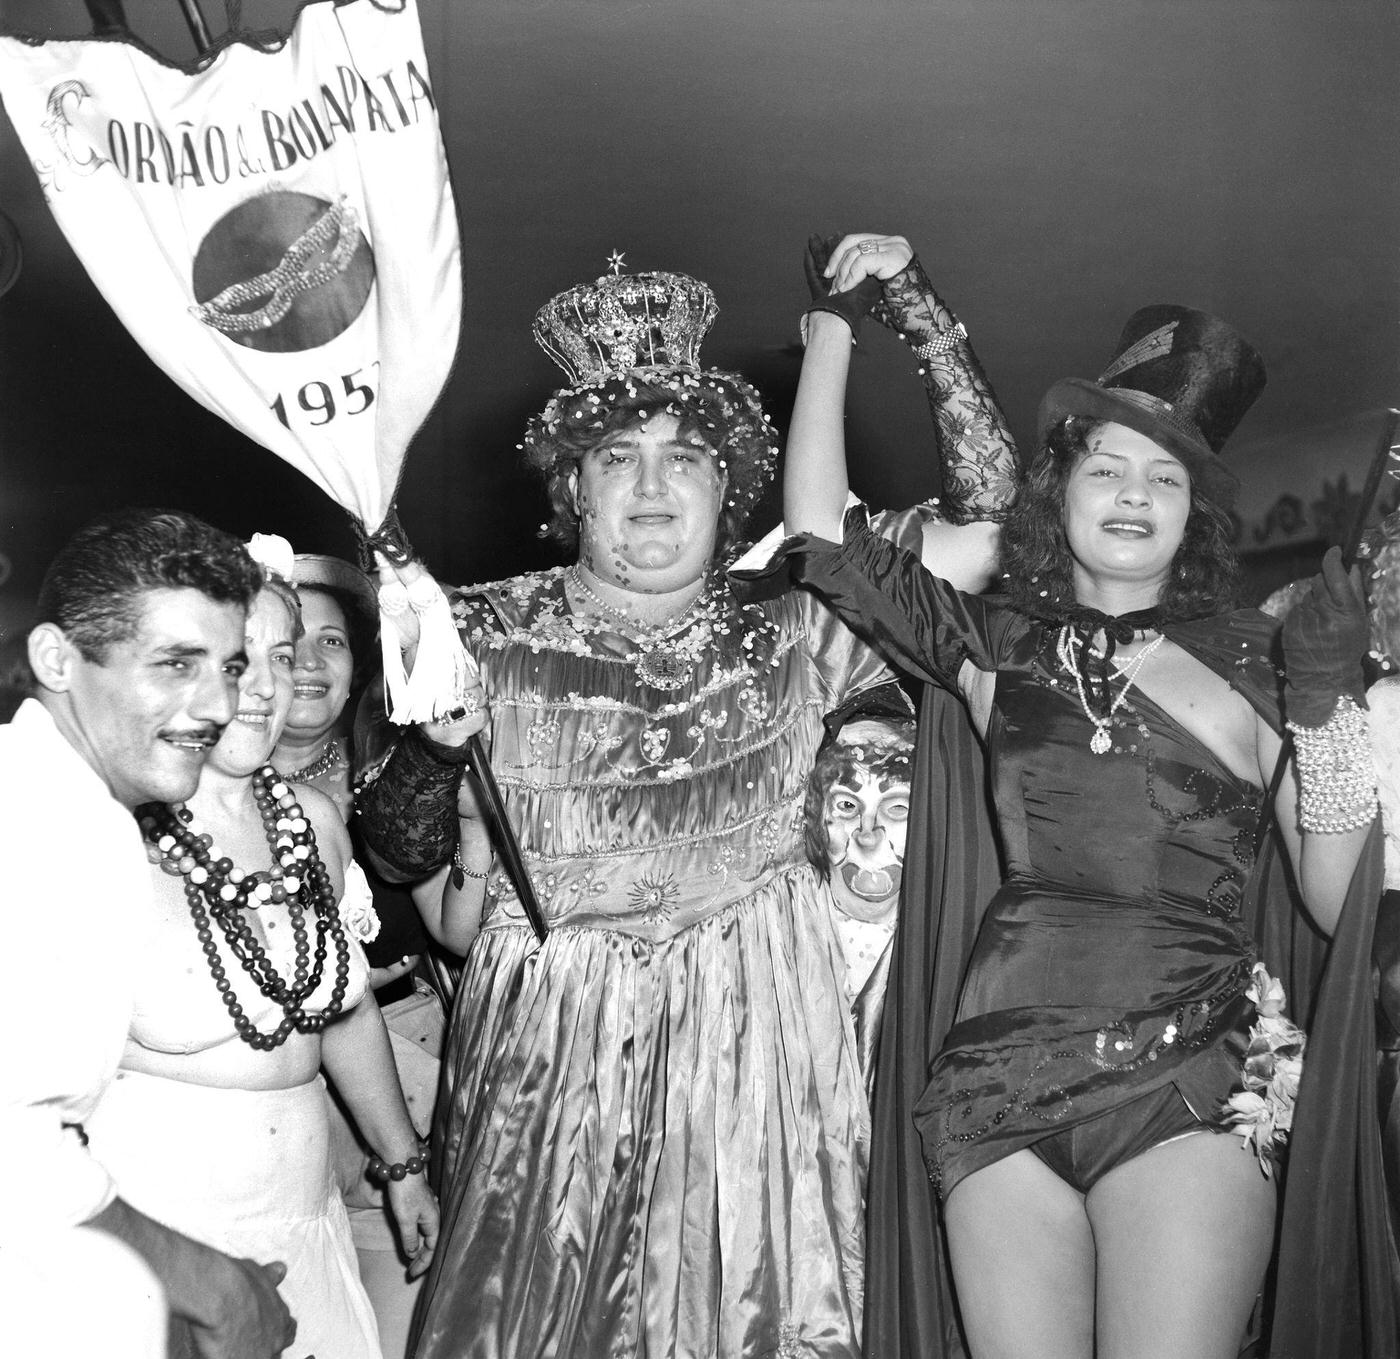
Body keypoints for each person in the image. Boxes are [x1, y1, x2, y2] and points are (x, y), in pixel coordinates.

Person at [354, 257, 1017, 1358]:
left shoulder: (803, 619)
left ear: (730, 484)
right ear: (573, 490)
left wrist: (905, 309)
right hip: (549, 1049)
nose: (652, 484)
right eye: (618, 457)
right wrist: (432, 750)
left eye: (686, 458)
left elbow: (989, 524)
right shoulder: (474, 626)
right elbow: (395, 852)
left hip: (759, 1038)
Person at [775, 233, 1376, 1359]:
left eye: (1166, 478)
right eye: (1107, 468)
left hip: (1191, 1077)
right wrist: (834, 327)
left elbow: (1340, 909)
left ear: (1194, 514)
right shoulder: (995, 643)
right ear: (1060, 495)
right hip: (996, 1085)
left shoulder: (1260, 661)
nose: (1135, 493)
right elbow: (817, 535)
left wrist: (1332, 701)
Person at [82, 535, 439, 1359]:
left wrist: (403, 1164)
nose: (270, 685)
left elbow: (342, 1008)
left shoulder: (312, 821)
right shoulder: (104, 832)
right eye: (241, 657)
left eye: (284, 654)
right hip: (163, 1248)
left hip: (309, 1225)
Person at [0, 508, 295, 1358]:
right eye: (175, 664)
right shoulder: (40, 825)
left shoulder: (77, 807)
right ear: (57, 659)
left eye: (228, 667)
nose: (219, 705)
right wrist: (210, 1287)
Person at [271, 551, 447, 1359]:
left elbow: (460, 929)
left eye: (333, 641)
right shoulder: (193, 793)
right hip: (271, 1089)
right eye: (288, 642)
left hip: (400, 1069)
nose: (309, 661)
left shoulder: (402, 773)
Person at [802, 684, 916, 1097]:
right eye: (847, 806)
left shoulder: (939, 943)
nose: (869, 835)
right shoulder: (784, 935)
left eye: (897, 807)